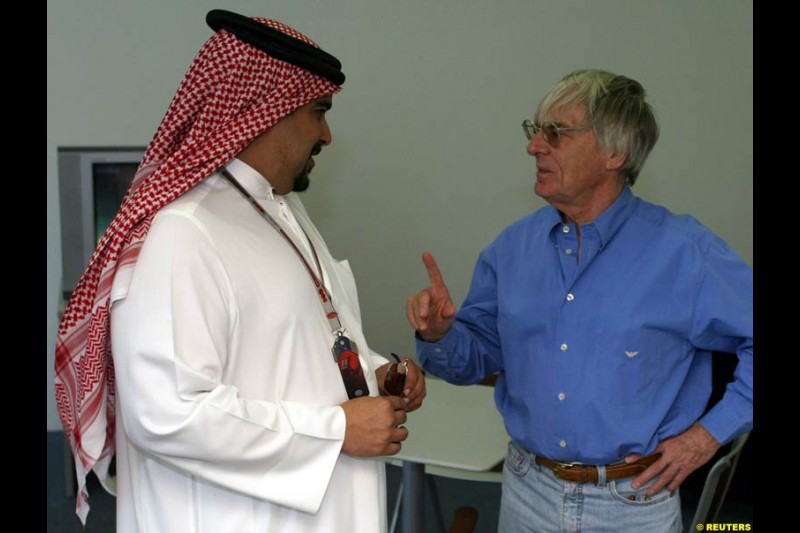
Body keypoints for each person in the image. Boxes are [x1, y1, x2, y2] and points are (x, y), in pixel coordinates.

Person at [55, 9, 425, 533]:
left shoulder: (281, 210)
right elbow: (167, 415)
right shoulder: (183, 232)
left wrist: (374, 373)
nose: (327, 133)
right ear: (268, 110)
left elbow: (299, 340)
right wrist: (335, 429)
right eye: (319, 111)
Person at [405, 69, 752, 532]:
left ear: (616, 153)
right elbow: (470, 361)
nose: (534, 146)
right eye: (535, 131)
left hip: (634, 503)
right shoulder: (512, 250)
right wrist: (440, 334)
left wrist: (706, 438)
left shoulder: (685, 253)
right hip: (528, 491)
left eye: (556, 133)